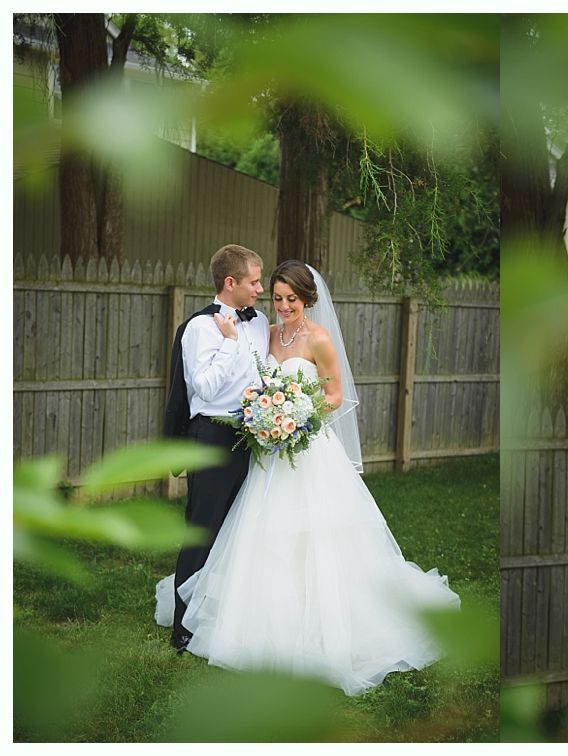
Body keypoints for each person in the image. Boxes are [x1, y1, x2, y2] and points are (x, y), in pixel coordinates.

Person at [155, 261, 460, 695]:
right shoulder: (265, 331)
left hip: (308, 450)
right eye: (276, 298)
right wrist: (268, 416)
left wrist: (297, 415)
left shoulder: (319, 338)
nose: (282, 307)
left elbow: (335, 394)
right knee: (255, 533)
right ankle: (255, 617)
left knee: (316, 535)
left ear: (308, 299)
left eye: (290, 300)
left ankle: (323, 620)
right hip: (266, 452)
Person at [162, 243, 269, 651]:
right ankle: (183, 625)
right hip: (211, 436)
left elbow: (264, 372)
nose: (260, 288)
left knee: (237, 532)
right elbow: (201, 388)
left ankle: (223, 617)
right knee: (202, 530)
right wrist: (228, 342)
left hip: (252, 436)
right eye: (254, 281)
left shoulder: (259, 322)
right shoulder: (200, 328)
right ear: (231, 283)